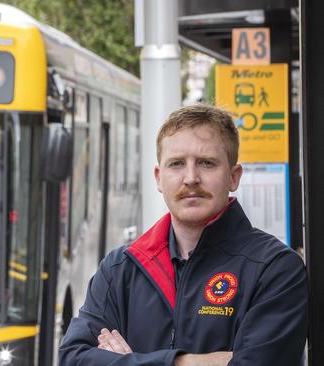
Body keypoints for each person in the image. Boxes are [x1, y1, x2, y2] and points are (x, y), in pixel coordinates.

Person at [59, 104, 308, 365]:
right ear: (158, 178)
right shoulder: (121, 268)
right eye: (176, 164)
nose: (191, 178)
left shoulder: (275, 270)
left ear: (234, 177)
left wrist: (129, 361)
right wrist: (187, 362)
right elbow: (72, 358)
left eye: (206, 163)